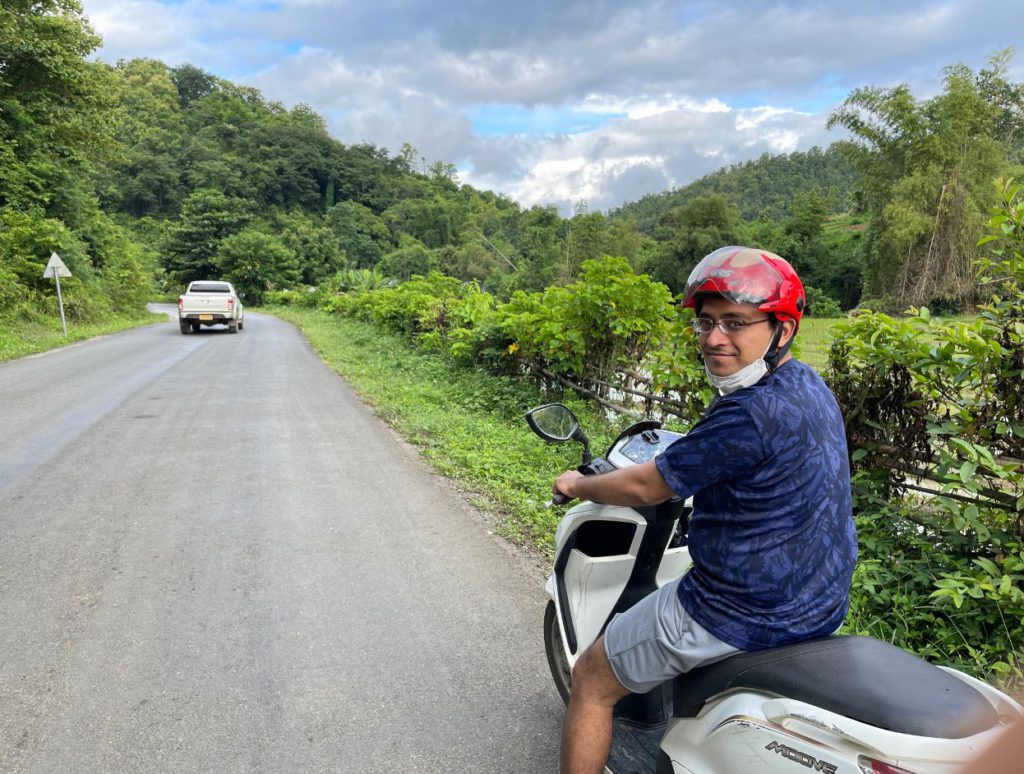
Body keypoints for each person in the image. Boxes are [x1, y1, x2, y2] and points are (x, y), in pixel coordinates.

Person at [552, 246, 858, 774]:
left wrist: (580, 484)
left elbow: (651, 486)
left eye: (736, 323)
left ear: (781, 329)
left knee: (593, 680)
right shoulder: (805, 384)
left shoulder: (748, 413)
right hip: (818, 598)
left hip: (737, 609)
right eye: (707, 322)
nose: (715, 338)